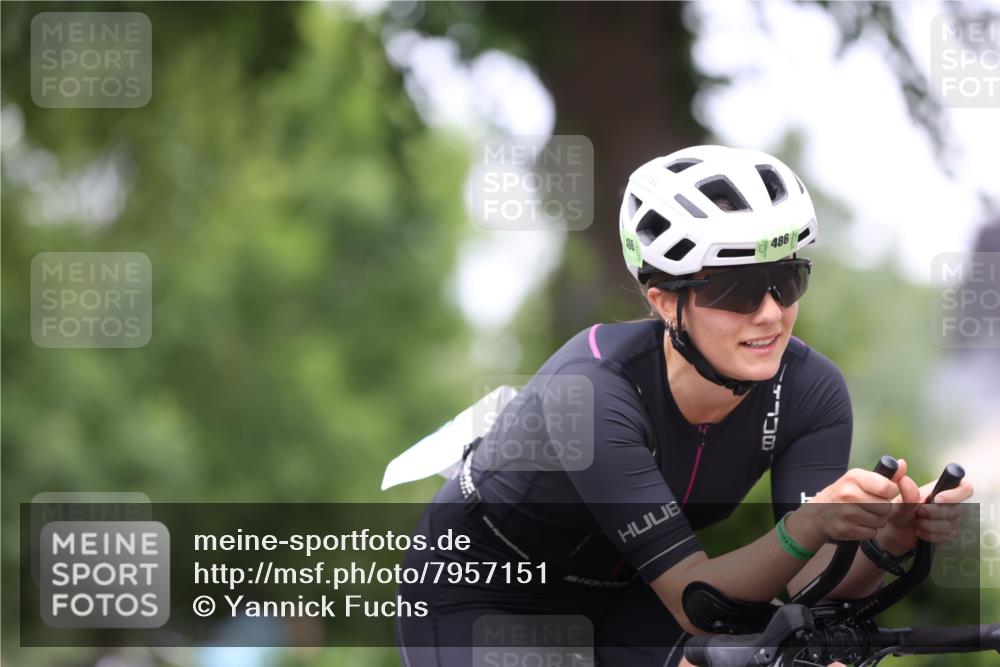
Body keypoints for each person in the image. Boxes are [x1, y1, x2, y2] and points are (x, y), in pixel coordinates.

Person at [395, 145, 973, 667]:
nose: (771, 313)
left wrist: (891, 539)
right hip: (488, 591)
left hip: (628, 594)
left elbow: (807, 585)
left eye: (787, 281)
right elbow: (699, 601)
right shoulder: (593, 391)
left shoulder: (810, 391)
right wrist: (807, 523)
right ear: (666, 302)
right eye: (739, 290)